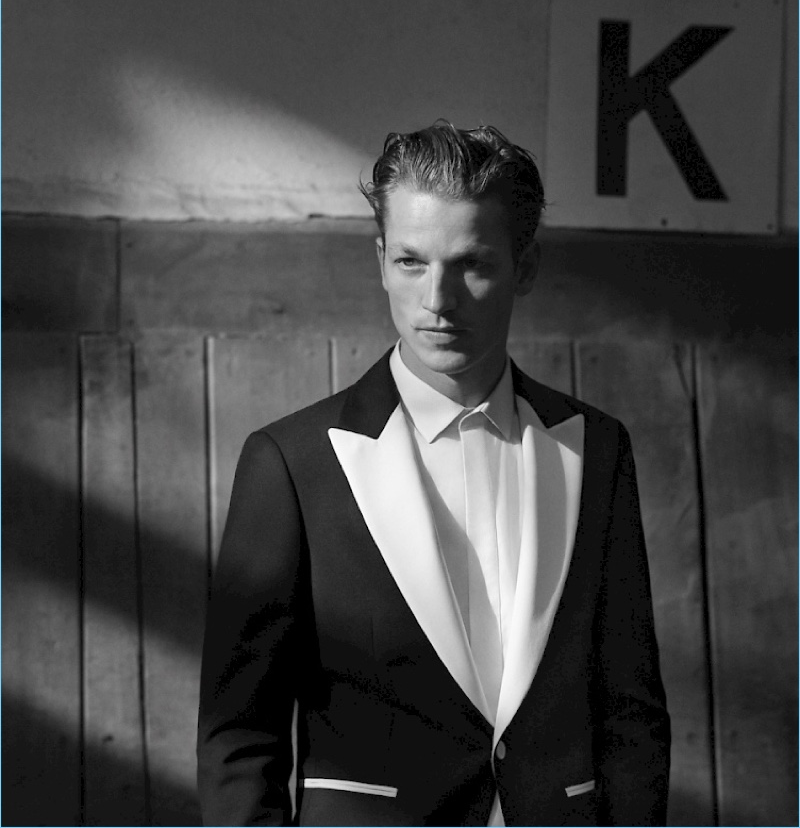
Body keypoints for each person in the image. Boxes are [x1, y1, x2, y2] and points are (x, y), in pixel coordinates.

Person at [196, 122, 670, 827]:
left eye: (471, 263)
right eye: (411, 262)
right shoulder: (292, 463)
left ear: (526, 267)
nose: (438, 299)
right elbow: (240, 733)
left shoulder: (597, 450)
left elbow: (631, 711)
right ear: (381, 260)